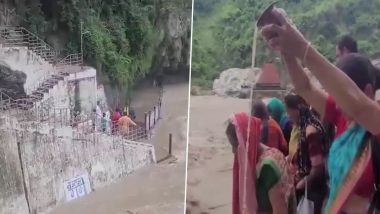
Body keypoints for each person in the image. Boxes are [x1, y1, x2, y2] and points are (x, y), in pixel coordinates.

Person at [260, 8, 380, 213]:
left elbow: (359, 108)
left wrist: (303, 49)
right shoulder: (343, 116)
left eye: (339, 94)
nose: (336, 101)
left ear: (368, 92)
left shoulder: (373, 121)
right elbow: (305, 88)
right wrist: (286, 50)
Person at [226, 112, 295, 214]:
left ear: (245, 142)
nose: (233, 151)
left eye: (235, 145)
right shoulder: (273, 152)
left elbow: (280, 210)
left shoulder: (267, 167)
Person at [284, 94, 328, 213]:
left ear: (297, 109)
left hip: (313, 189)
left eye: (289, 112)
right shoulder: (309, 124)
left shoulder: (310, 132)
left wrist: (303, 182)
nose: (288, 116)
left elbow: (317, 167)